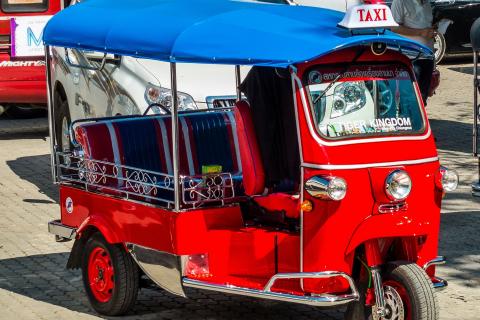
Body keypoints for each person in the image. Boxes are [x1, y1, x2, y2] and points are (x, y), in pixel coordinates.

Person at [391, 0, 436, 104]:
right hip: (411, 56)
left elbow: (424, 25)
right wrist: (421, 32)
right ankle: (411, 118)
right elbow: (394, 28)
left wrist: (432, 30)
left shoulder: (427, 3)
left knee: (423, 96)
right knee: (410, 96)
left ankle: (420, 119)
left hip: (427, 55)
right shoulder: (400, 2)